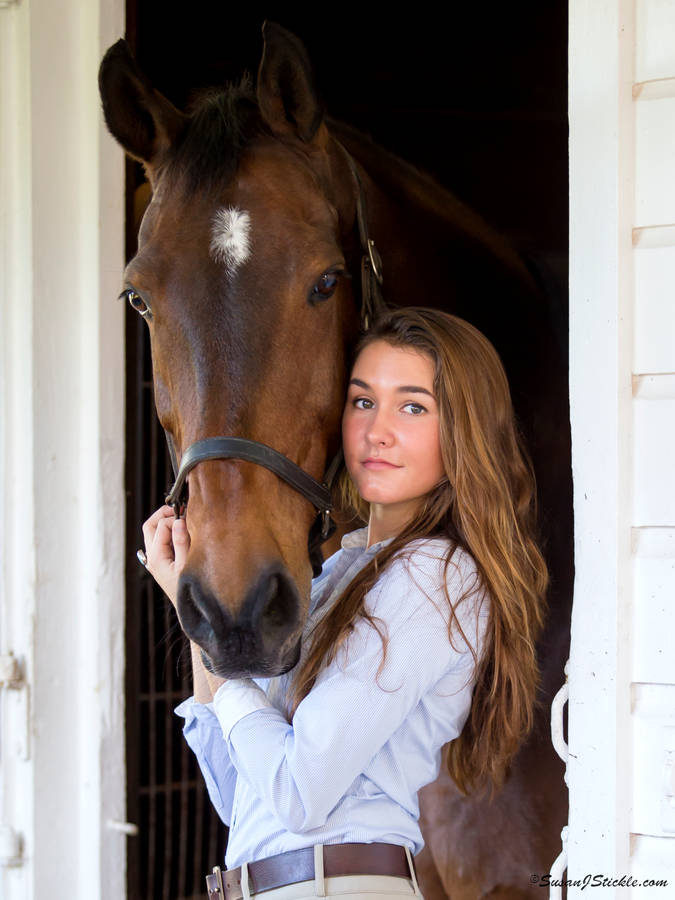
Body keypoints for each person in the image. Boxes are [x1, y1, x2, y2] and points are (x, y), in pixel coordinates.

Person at [140, 307, 548, 900]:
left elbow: (298, 792)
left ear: (463, 430)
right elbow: (241, 796)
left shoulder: (435, 576)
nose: (377, 430)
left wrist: (205, 633)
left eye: (412, 406)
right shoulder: (342, 572)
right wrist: (199, 609)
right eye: (362, 401)